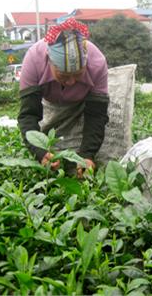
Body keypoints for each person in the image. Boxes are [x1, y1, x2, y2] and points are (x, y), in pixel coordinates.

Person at [17, 17, 109, 178]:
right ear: (50, 62)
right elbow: (28, 114)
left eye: (78, 74)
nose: (72, 81)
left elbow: (96, 115)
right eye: (64, 75)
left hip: (83, 102)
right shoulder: (34, 59)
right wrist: (39, 152)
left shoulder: (97, 63)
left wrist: (87, 155)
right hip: (50, 101)